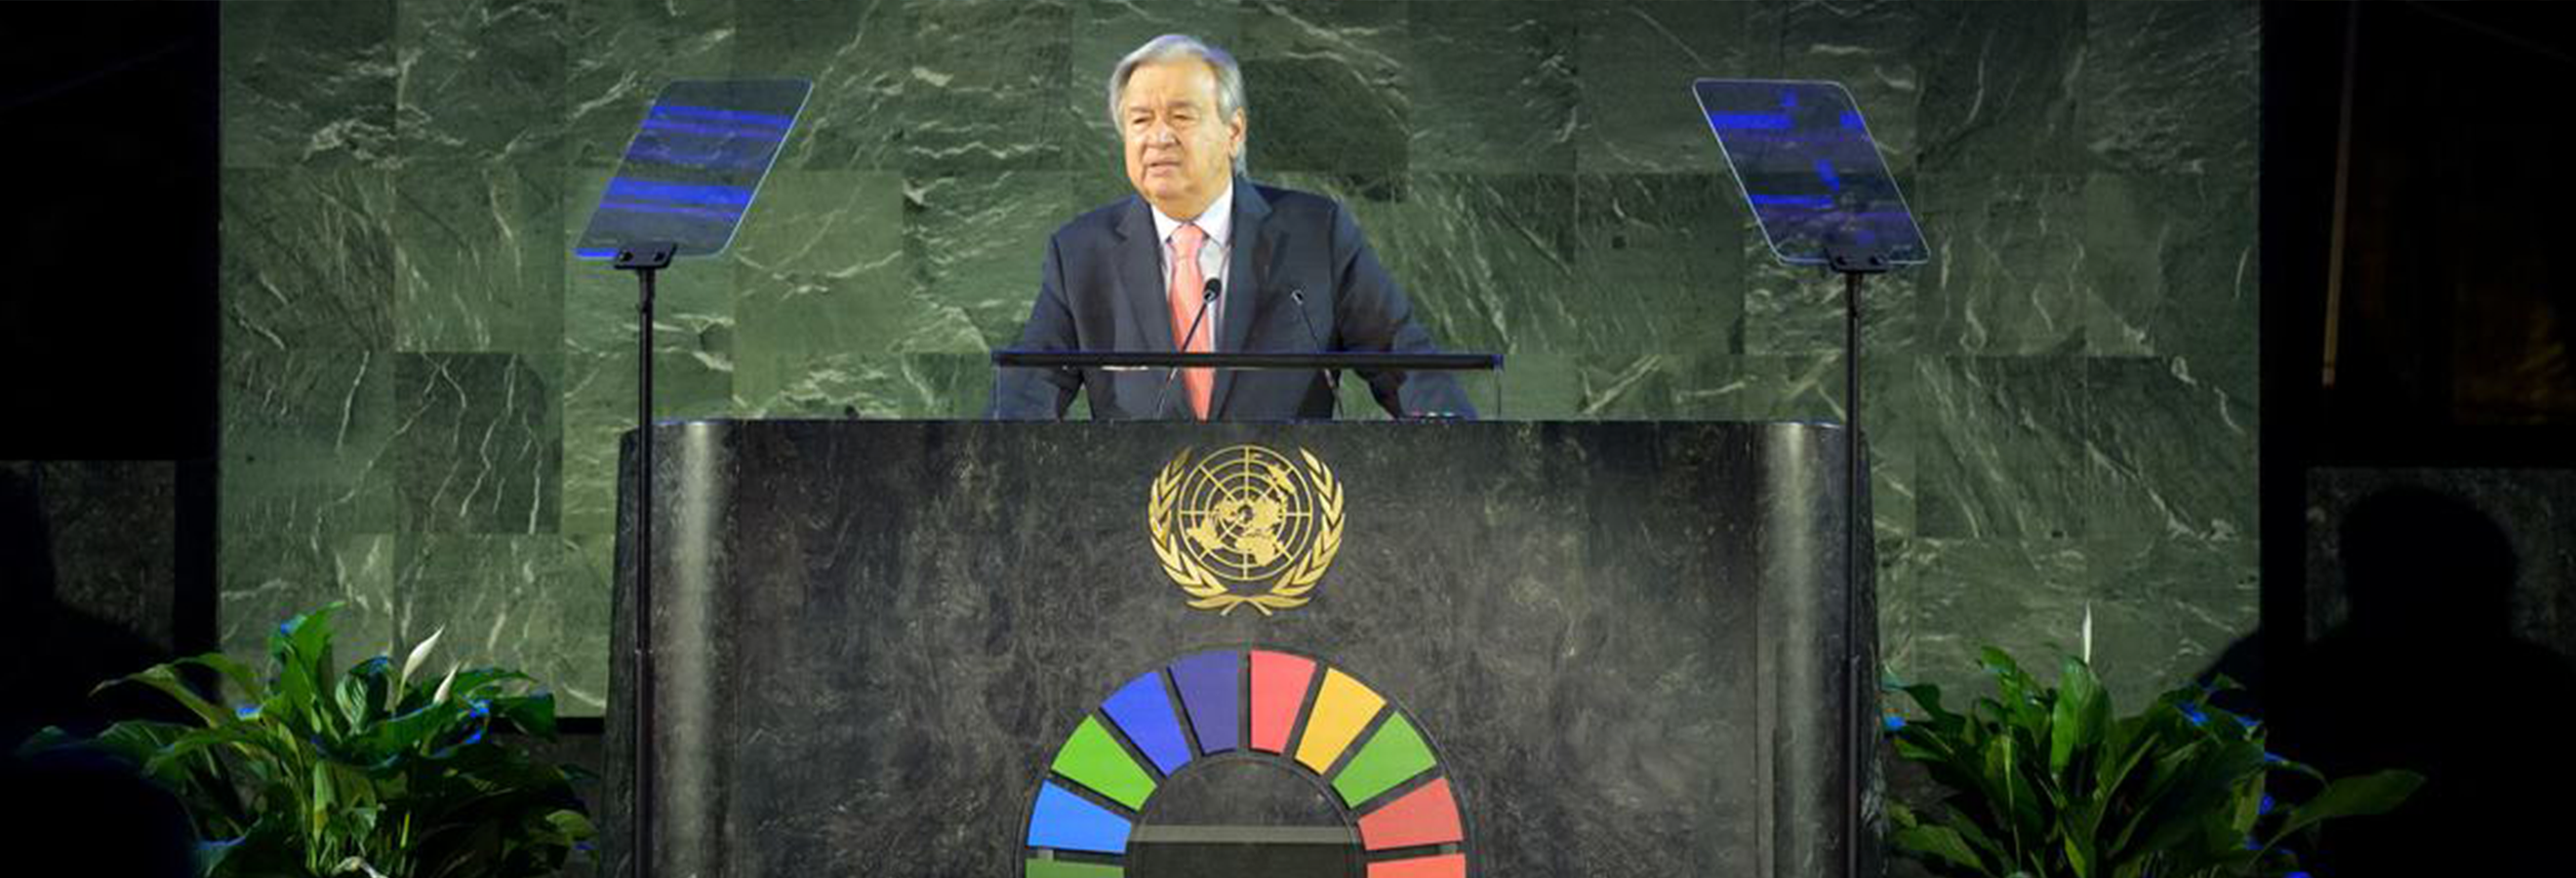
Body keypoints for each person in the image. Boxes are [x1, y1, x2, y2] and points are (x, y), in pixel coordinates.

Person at [986, 34, 1474, 421]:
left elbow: (1402, 357)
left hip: (1288, 513)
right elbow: (1031, 385)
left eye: (1181, 115)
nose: (1158, 136)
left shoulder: (1315, 233)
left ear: (1233, 132)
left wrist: (1446, 434)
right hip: (1134, 519)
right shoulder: (1080, 252)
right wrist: (990, 461)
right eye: (1139, 120)